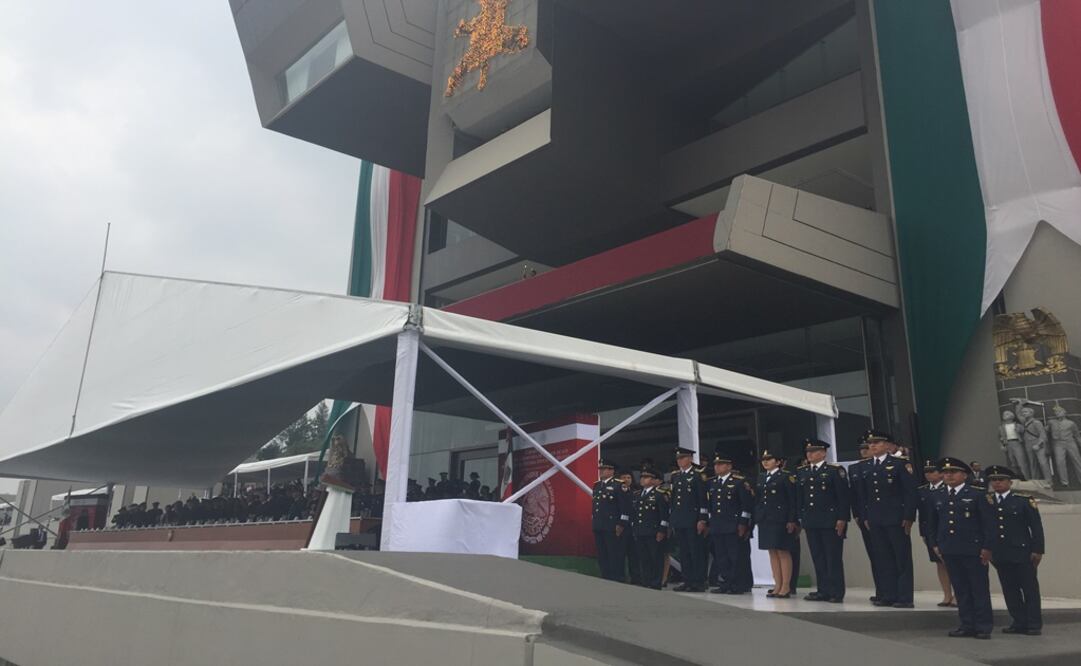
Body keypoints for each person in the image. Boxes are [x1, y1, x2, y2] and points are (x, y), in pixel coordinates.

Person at [928, 458, 993, 639]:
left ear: (964, 475)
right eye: (946, 472)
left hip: (973, 549)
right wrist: (935, 544)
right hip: (949, 548)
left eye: (953, 472)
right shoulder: (937, 495)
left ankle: (983, 626)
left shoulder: (977, 494)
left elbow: (989, 523)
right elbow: (932, 522)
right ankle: (966, 624)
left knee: (978, 588)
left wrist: (987, 547)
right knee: (961, 588)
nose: (949, 475)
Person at [985, 465, 1045, 635]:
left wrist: (1038, 549)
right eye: (993, 480)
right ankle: (1019, 621)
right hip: (999, 552)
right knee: (1009, 589)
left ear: (1009, 482)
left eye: (1001, 480)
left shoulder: (1023, 500)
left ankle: (1033, 624)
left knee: (1029, 589)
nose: (997, 483)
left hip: (1022, 552)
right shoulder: (987, 501)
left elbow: (1036, 527)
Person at [861, 430, 918, 608]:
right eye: (871, 443)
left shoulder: (899, 464)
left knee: (901, 558)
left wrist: (909, 516)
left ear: (887, 445)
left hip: (896, 517)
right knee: (883, 557)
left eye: (877, 442)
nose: (873, 446)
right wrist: (866, 516)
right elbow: (865, 495)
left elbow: (910, 492)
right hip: (875, 518)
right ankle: (888, 594)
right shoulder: (867, 466)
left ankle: (905, 597)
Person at [796, 439, 849, 603]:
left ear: (823, 453)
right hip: (811, 520)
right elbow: (800, 497)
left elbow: (843, 497)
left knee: (832, 557)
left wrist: (842, 518)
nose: (810, 454)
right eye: (808, 452)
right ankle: (823, 590)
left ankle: (836, 591)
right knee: (818, 556)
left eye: (814, 451)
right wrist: (800, 517)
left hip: (830, 520)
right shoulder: (803, 471)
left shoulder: (834, 470)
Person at [706, 453, 754, 595]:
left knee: (735, 556)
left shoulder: (739, 482)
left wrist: (743, 523)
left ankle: (737, 584)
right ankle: (725, 583)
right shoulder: (713, 483)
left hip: (733, 524)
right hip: (718, 524)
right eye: (715, 464)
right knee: (721, 556)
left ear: (729, 466)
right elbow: (711, 505)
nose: (717, 467)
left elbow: (746, 505)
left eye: (720, 464)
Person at [755, 450, 798, 598]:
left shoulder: (785, 476)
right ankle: (777, 584)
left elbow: (792, 500)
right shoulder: (762, 477)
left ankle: (786, 585)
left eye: (769, 459)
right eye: (763, 460)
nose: (765, 462)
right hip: (765, 518)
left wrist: (791, 519)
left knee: (782, 551)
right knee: (772, 551)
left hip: (780, 518)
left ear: (778, 462)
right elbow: (759, 498)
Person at [849, 440, 885, 603]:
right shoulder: (856, 468)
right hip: (865, 516)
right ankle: (881, 590)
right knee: (874, 555)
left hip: (882, 515)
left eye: (867, 448)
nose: (864, 451)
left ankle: (890, 591)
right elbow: (855, 494)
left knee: (885, 555)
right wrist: (857, 515)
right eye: (862, 448)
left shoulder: (882, 466)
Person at [668, 447, 709, 592]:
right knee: (684, 552)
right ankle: (687, 580)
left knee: (695, 551)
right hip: (680, 519)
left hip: (693, 519)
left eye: (683, 458)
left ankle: (699, 581)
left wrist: (702, 519)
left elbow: (702, 499)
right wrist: (672, 519)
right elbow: (674, 499)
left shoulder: (698, 475)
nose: (680, 461)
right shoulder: (676, 476)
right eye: (678, 458)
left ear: (690, 459)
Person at [917, 460, 954, 607]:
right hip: (931, 532)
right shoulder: (922, 490)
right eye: (926, 472)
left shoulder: (948, 488)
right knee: (940, 563)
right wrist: (923, 533)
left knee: (952, 564)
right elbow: (923, 515)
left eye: (932, 471)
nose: (928, 474)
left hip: (947, 531)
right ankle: (947, 594)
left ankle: (958, 594)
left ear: (940, 473)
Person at [592, 459, 630, 581]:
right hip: (599, 524)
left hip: (612, 525)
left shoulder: (619, 485)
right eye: (600, 469)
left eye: (604, 469)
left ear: (611, 471)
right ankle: (605, 575)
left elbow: (624, 507)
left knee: (614, 552)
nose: (601, 471)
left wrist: (621, 523)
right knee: (602, 553)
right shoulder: (597, 485)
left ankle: (617, 577)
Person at [632, 466, 669, 589]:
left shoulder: (659, 495)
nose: (643, 479)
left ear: (653, 480)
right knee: (644, 558)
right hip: (640, 531)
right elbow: (635, 514)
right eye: (642, 477)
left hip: (654, 532)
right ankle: (646, 581)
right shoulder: (638, 494)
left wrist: (662, 530)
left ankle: (656, 582)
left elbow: (664, 515)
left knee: (656, 558)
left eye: (646, 477)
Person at [617, 469, 641, 585]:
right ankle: (620, 578)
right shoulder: (616, 491)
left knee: (634, 555)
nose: (626, 480)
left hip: (634, 528)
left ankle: (636, 579)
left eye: (628, 477)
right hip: (621, 528)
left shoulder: (637, 492)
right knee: (620, 554)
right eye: (624, 477)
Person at [1020, 407, 1053, 481]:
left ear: (1031, 413)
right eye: (1023, 412)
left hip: (1037, 443)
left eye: (1025, 412)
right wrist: (1019, 405)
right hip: (1028, 444)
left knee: (1043, 463)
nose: (1023, 413)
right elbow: (1018, 414)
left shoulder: (1036, 422)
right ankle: (1035, 480)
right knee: (1032, 463)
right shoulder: (1024, 423)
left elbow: (1043, 435)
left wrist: (1038, 444)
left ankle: (1049, 481)